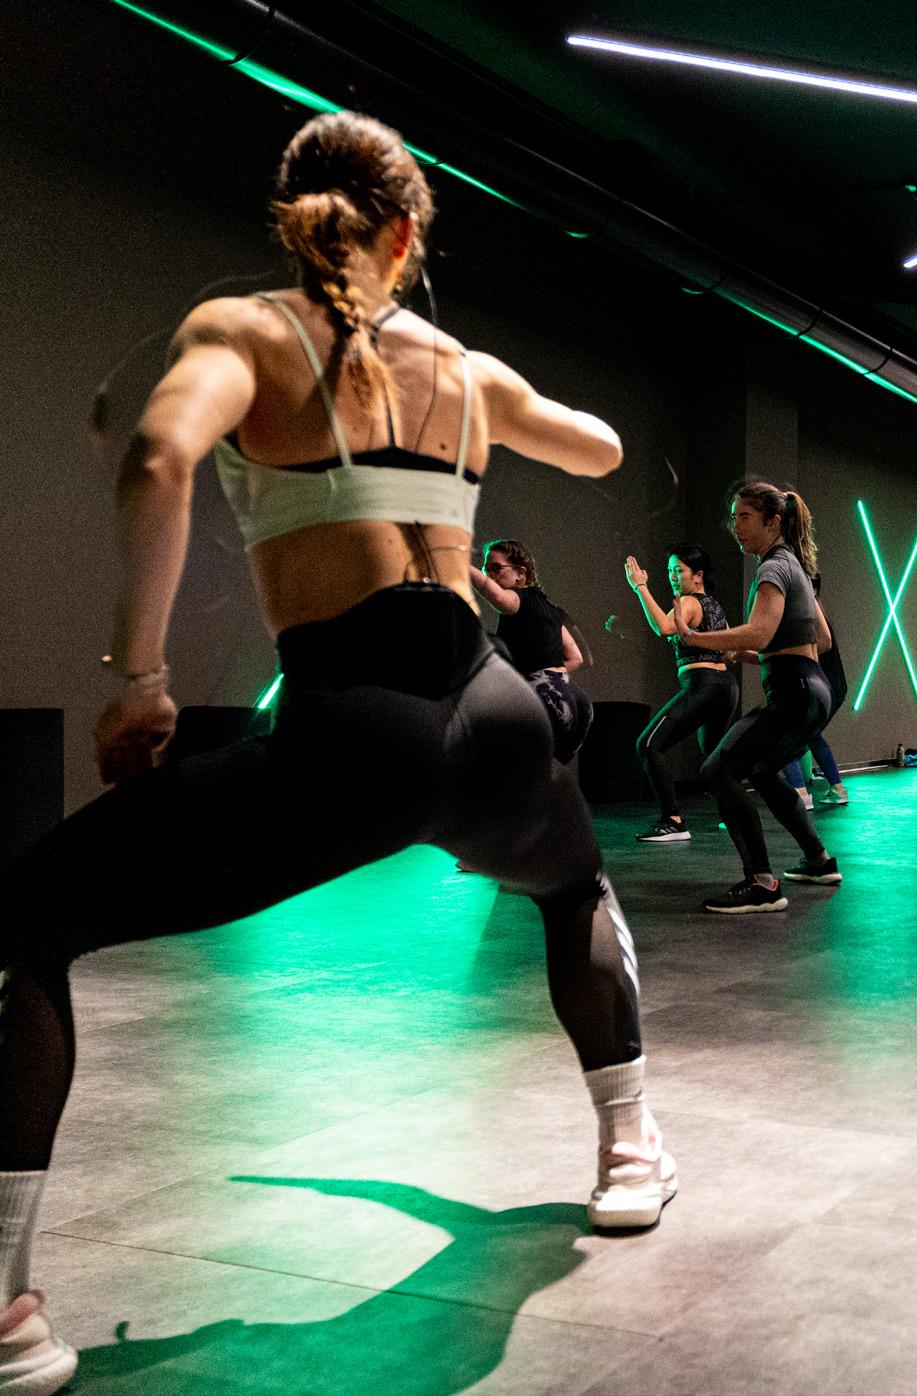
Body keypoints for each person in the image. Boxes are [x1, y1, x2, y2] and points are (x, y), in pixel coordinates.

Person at [0, 111, 677, 1392]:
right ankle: (630, 1153)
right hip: (497, 714)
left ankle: (4, 1315)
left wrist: (141, 681)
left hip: (357, 726)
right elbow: (599, 446)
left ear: (293, 223)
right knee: (571, 887)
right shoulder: (464, 371)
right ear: (407, 234)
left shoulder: (246, 331)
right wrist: (481, 400)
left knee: (28, 920)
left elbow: (157, 459)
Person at [676, 482, 840, 911]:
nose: (736, 527)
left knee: (717, 770)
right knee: (764, 773)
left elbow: (762, 632)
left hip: (794, 691)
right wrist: (748, 652)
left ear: (774, 522)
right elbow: (820, 640)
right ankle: (819, 861)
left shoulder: (773, 568)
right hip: (812, 689)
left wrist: (697, 637)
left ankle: (762, 882)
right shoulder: (794, 565)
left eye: (745, 517)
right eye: (734, 517)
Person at [624, 544, 739, 841]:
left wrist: (640, 587)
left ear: (697, 576)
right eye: (670, 571)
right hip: (726, 687)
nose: (673, 577)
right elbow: (730, 651)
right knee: (713, 755)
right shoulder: (714, 606)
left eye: (679, 570)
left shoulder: (688, 602)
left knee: (648, 744)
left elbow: (664, 628)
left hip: (703, 685)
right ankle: (735, 814)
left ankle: (673, 821)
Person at [470, 539, 592, 763]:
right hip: (575, 701)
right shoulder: (549, 608)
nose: (489, 575)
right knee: (545, 772)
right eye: (486, 569)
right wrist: (551, 677)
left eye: (496, 568)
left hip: (547, 698)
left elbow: (497, 596)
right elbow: (576, 658)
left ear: (520, 574)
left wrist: (457, 564)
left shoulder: (519, 599)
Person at [783, 574, 850, 808]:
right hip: (832, 688)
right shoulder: (818, 610)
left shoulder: (807, 613)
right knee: (811, 735)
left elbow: (820, 646)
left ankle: (800, 795)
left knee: (785, 740)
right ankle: (837, 788)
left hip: (817, 687)